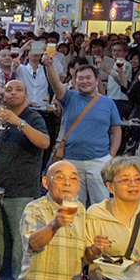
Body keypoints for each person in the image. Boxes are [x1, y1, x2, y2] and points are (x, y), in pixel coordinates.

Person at [0, 79, 51, 280]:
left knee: (20, 250)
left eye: (18, 89)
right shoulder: (3, 119)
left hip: (21, 193)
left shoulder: (32, 118)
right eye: (9, 89)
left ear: (26, 95)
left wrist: (19, 122)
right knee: (3, 247)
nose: (13, 93)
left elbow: (44, 142)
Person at [46, 60, 122, 205]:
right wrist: (49, 65)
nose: (84, 81)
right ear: (74, 81)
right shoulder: (69, 97)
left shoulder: (108, 103)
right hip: (71, 160)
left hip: (99, 160)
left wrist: (111, 156)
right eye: (80, 78)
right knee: (71, 204)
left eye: (88, 78)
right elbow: (56, 84)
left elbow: (116, 131)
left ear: (96, 80)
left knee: (101, 204)